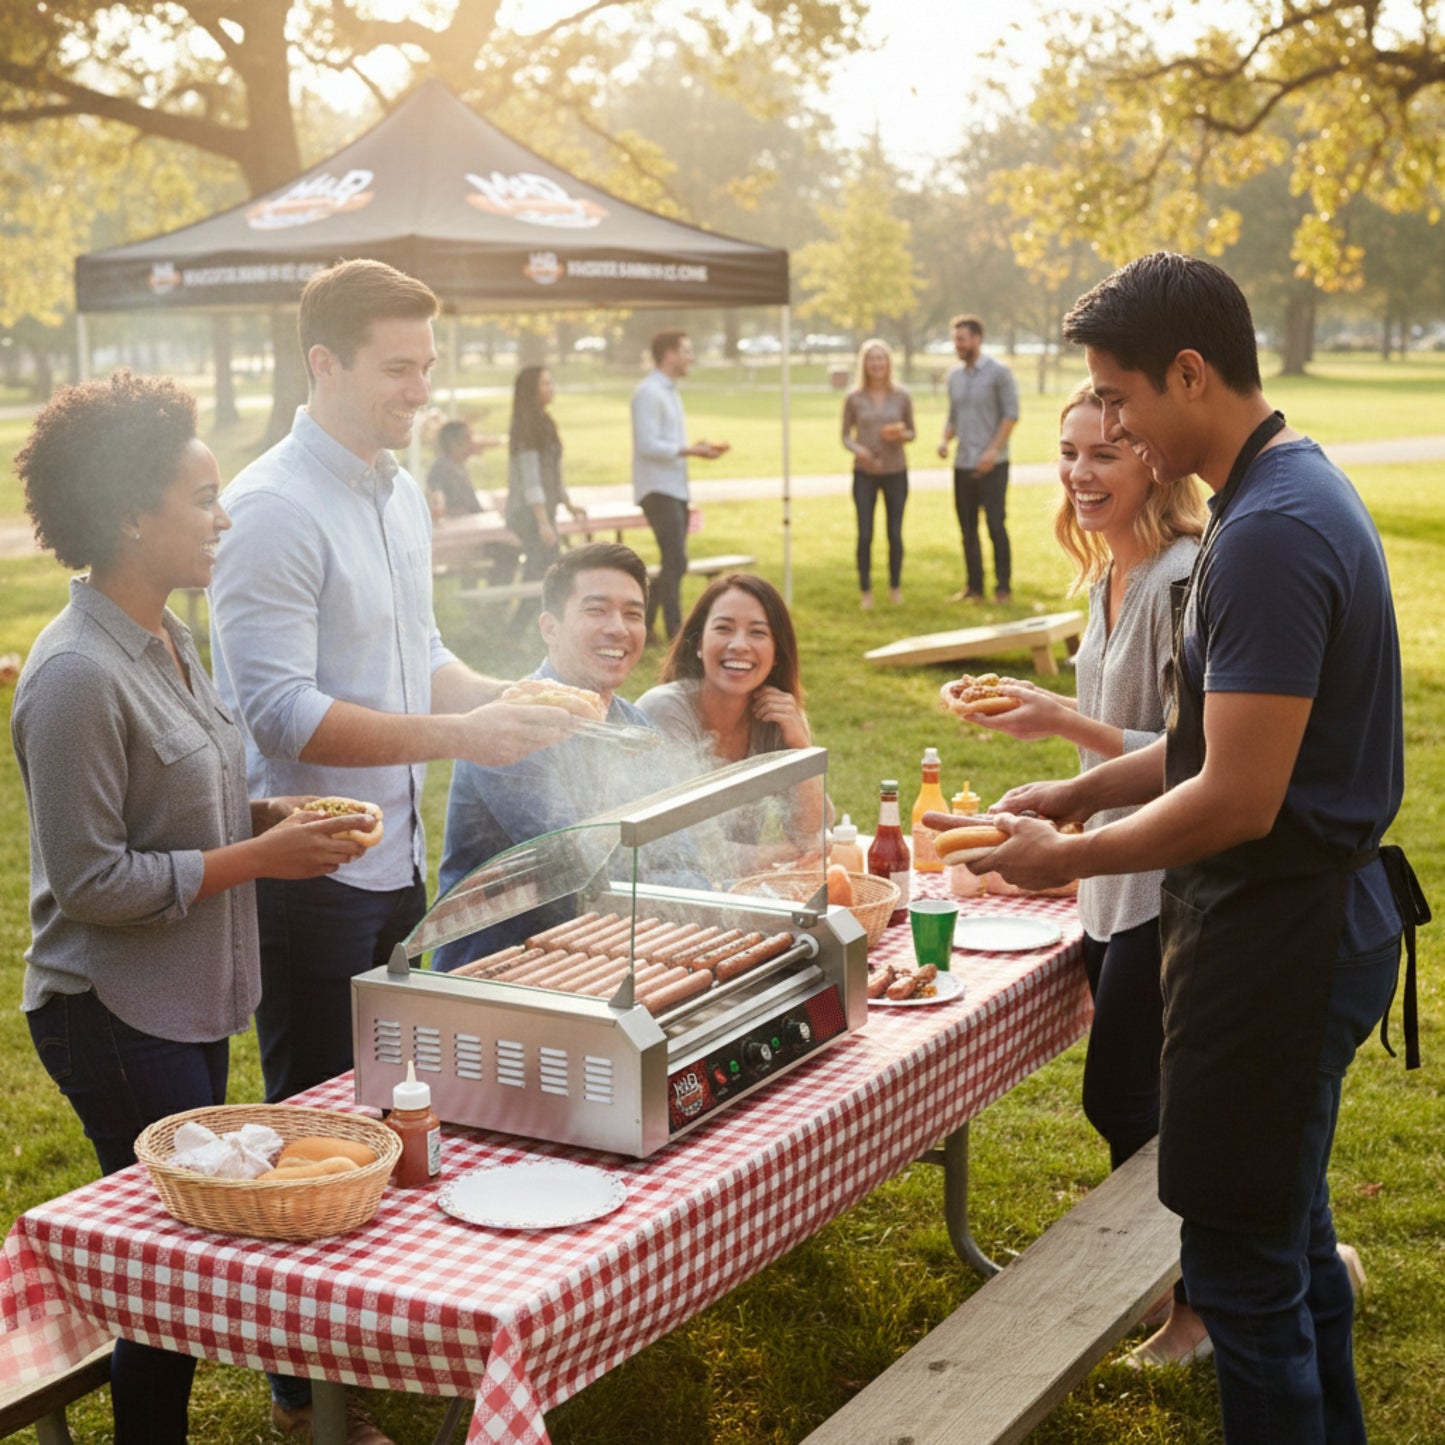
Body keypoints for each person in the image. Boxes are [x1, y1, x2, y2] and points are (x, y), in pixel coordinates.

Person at [979, 252, 1420, 1443]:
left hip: (1279, 939)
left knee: (1236, 1273)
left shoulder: (1271, 530)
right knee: (1283, 1247)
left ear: (1188, 372)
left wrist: (1057, 860)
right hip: (1301, 924)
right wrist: (1075, 797)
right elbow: (1194, 741)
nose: (1105, 424)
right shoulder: (1281, 489)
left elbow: (1235, 794)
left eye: (1117, 398)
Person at [208, 259, 575, 1439]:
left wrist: (510, 689)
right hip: (307, 870)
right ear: (322, 364)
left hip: (394, 859)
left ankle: (367, 1341)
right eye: (397, 368)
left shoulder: (394, 488)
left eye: (428, 364)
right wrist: (460, 731)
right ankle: (302, 1391)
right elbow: (275, 708)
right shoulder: (270, 505)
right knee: (313, 1133)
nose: (421, 387)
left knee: (382, 1113)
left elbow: (415, 653)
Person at [11, 372, 373, 1445]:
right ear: (130, 513)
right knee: (165, 1279)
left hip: (184, 1001)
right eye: (202, 497)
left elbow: (181, 796)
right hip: (111, 1010)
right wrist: (259, 853)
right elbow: (93, 882)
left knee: (174, 1265)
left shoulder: (168, 633)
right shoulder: (74, 675)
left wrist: (272, 814)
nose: (223, 519)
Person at [962, 384, 1210, 1363]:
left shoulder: (1182, 580)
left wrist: (1063, 726)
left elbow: (1194, 753)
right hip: (1105, 879)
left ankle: (1192, 1309)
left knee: (1131, 1101)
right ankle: (1279, 1265)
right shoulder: (1109, 574)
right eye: (1068, 453)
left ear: (1151, 456)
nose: (1078, 472)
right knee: (1146, 1098)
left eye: (1103, 451)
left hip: (1166, 882)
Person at [431, 542, 654, 971]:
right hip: (496, 972)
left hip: (599, 955)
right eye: (596, 610)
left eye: (633, 614)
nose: (618, 628)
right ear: (549, 627)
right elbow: (577, 863)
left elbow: (678, 850)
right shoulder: (513, 724)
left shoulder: (635, 725)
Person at [637, 571, 827, 861]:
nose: (739, 644)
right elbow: (689, 849)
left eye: (758, 632)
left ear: (777, 653)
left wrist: (801, 750)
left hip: (734, 892)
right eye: (724, 628)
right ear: (699, 644)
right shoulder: (665, 711)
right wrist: (782, 855)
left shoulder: (778, 716)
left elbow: (811, 831)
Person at [631, 329, 728, 641]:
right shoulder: (648, 392)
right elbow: (647, 445)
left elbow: (665, 442)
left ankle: (646, 627)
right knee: (676, 559)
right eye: (687, 351)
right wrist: (690, 450)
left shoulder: (669, 391)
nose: (691, 357)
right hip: (657, 489)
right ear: (670, 354)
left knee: (674, 559)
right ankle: (676, 633)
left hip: (674, 487)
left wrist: (696, 447)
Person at [936, 313, 1020, 603]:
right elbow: (954, 416)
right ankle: (974, 588)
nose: (957, 345)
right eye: (954, 339)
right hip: (963, 464)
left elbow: (1011, 414)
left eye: (961, 339)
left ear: (976, 339)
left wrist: (993, 450)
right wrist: (944, 440)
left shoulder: (999, 372)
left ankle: (1003, 588)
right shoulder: (955, 376)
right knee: (967, 529)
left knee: (996, 525)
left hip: (993, 464)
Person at [841, 338, 915, 609]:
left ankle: (895, 587)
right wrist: (859, 451)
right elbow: (845, 437)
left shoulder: (902, 395)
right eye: (871, 359)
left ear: (888, 363)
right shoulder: (853, 397)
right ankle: (866, 591)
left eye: (881, 359)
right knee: (865, 533)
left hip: (896, 471)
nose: (876, 364)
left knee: (894, 533)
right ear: (864, 364)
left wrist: (900, 435)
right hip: (865, 472)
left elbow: (912, 432)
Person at [504, 364, 586, 593]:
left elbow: (553, 470)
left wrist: (568, 503)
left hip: (544, 511)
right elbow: (531, 480)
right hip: (529, 514)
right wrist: (542, 522)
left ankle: (519, 627)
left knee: (543, 574)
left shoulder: (545, 423)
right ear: (531, 390)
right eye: (546, 383)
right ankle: (518, 627)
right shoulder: (525, 428)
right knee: (546, 575)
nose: (552, 388)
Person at [426, 418, 491, 518]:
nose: (472, 444)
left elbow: (473, 504)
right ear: (453, 444)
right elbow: (436, 500)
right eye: (468, 439)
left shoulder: (459, 466)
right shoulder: (441, 469)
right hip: (455, 526)